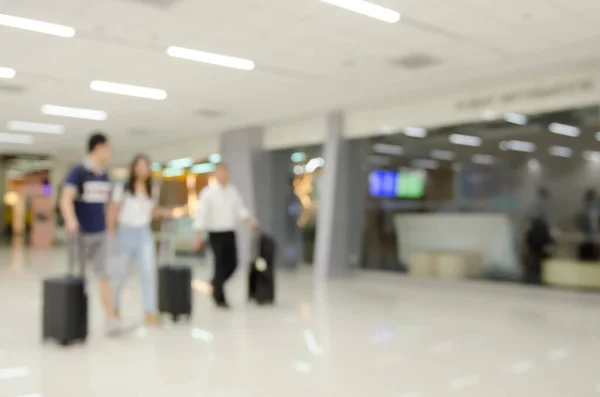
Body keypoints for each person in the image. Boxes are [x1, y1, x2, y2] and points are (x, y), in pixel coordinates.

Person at [60, 132, 119, 334]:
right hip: (80, 235)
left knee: (104, 276)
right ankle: (73, 321)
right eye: (108, 148)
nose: (110, 152)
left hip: (100, 234)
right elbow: (66, 198)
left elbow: (107, 205)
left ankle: (111, 319)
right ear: (98, 148)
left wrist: (110, 228)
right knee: (78, 279)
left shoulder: (103, 175)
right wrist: (70, 220)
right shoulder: (78, 172)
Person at [109, 154, 170, 325]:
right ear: (134, 168)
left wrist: (166, 212)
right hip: (125, 232)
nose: (143, 169)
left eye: (146, 166)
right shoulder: (122, 188)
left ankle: (149, 311)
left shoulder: (153, 189)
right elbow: (113, 211)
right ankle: (113, 307)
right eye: (140, 166)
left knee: (148, 272)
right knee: (120, 274)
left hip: (144, 233)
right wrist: (111, 234)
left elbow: (151, 212)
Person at [193, 163, 258, 309]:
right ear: (215, 175)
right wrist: (198, 234)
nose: (222, 176)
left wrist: (249, 220)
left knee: (233, 264)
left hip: (229, 232)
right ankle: (219, 298)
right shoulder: (208, 193)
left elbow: (240, 208)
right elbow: (202, 214)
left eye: (225, 173)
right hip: (215, 233)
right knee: (219, 265)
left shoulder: (233, 192)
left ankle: (216, 284)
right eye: (220, 173)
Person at [575, 188, 599, 261]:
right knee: (584, 259)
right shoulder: (583, 211)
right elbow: (579, 222)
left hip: (594, 240)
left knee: (593, 259)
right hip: (585, 239)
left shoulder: (596, 209)